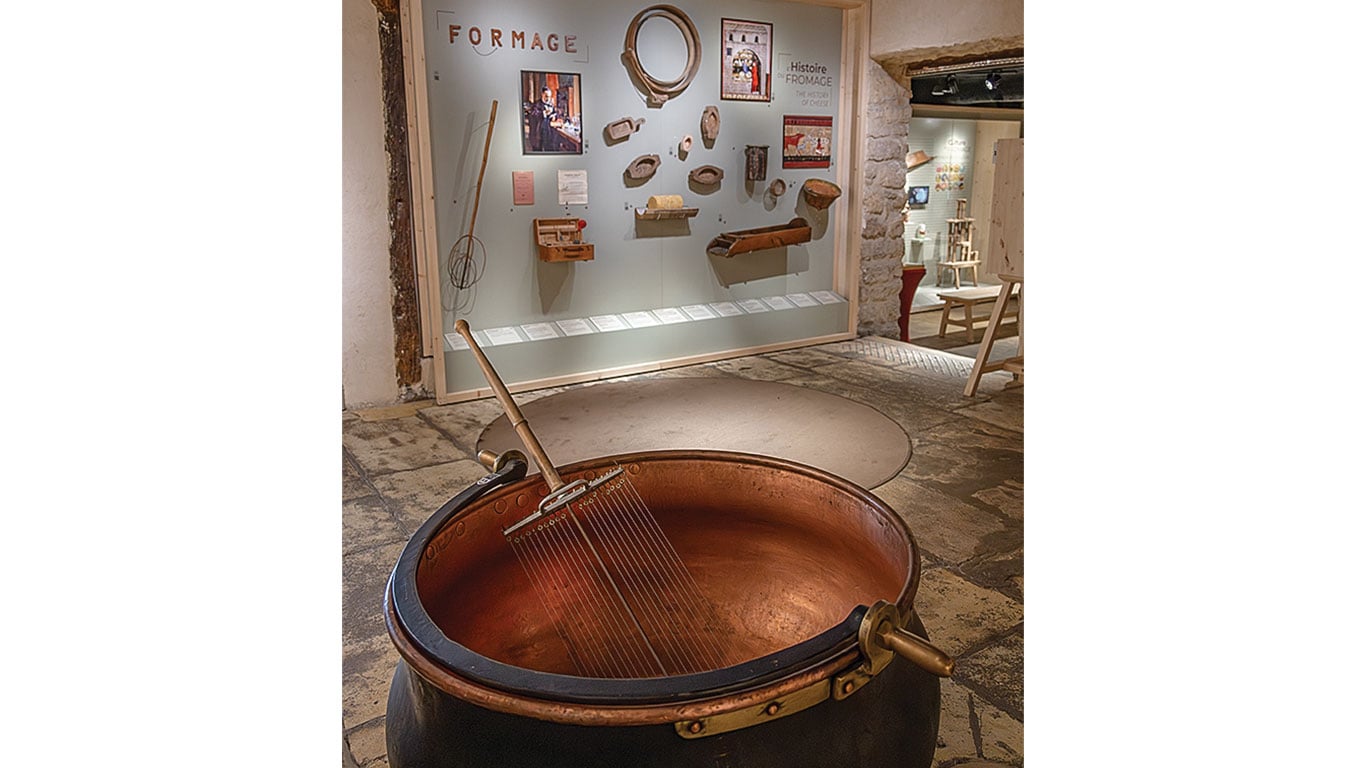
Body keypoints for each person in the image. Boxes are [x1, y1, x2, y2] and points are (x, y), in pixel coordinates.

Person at [526, 86, 559, 152]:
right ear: (542, 95)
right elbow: (532, 115)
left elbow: (555, 113)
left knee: (549, 149)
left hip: (548, 132)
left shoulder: (551, 104)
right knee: (538, 150)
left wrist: (554, 116)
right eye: (546, 96)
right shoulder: (536, 104)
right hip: (538, 132)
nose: (548, 98)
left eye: (549, 96)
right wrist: (544, 113)